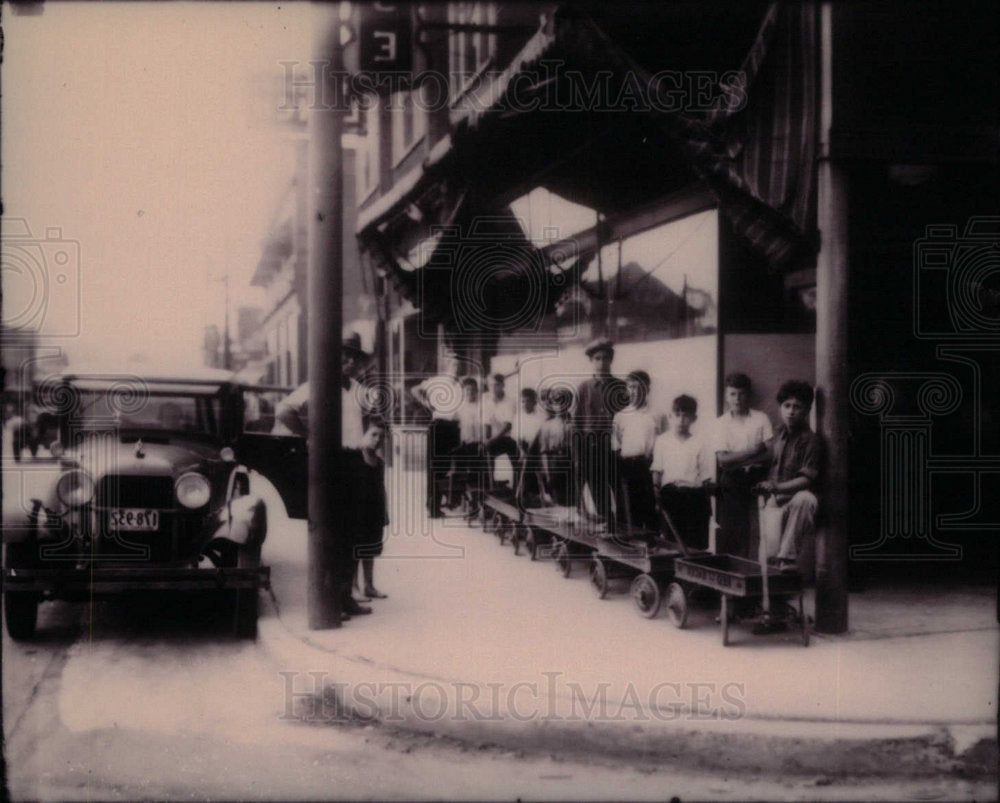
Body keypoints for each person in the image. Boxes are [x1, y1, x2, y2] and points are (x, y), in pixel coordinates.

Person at [754, 380, 824, 572]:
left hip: (797, 504)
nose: (791, 411)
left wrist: (777, 487)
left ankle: (788, 558)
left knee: (806, 497)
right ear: (780, 408)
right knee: (766, 560)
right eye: (787, 406)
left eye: (797, 407)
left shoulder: (811, 440)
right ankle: (772, 595)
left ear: (807, 410)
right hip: (774, 503)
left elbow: (807, 480)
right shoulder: (778, 434)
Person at [713, 372, 773, 557]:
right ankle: (739, 567)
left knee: (762, 524)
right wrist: (753, 451)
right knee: (735, 527)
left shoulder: (761, 418)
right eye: (732, 394)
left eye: (741, 394)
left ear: (748, 395)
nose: (737, 399)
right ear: (726, 395)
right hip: (733, 479)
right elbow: (723, 460)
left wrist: (738, 458)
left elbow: (770, 453)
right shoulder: (720, 423)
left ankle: (760, 569)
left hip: (759, 476)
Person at [572, 338, 628, 528]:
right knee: (597, 487)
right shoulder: (584, 388)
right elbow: (576, 423)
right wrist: (578, 453)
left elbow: (628, 418)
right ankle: (607, 524)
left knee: (620, 487)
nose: (601, 362)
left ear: (611, 360)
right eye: (597, 358)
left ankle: (621, 527)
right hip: (591, 445)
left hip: (614, 447)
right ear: (592, 361)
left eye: (605, 358)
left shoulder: (621, 387)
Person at [652, 394, 712, 551]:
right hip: (670, 495)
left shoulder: (699, 442)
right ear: (670, 417)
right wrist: (656, 492)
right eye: (677, 415)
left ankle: (691, 569)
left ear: (694, 418)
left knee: (693, 541)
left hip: (693, 496)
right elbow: (657, 469)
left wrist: (707, 499)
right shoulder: (662, 441)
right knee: (672, 539)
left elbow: (705, 474)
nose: (681, 420)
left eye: (686, 416)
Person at [411, 354, 462, 517]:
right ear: (447, 367)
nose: (456, 368)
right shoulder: (438, 381)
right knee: (435, 467)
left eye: (458, 365)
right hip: (439, 425)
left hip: (454, 428)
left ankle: (446, 502)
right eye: (453, 365)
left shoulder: (460, 385)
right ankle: (433, 507)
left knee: (446, 468)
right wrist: (427, 404)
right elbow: (414, 389)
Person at [612, 370, 658, 534]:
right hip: (627, 467)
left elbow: (663, 444)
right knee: (627, 511)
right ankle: (627, 550)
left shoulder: (656, 415)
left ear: (648, 390)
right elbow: (616, 445)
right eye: (631, 387)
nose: (635, 391)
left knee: (650, 511)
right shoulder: (620, 416)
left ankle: (652, 550)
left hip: (648, 466)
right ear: (627, 390)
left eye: (640, 387)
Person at [451, 376, 484, 512]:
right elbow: (454, 426)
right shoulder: (459, 407)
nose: (470, 393)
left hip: (479, 444)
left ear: (477, 391)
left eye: (473, 390)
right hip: (464, 444)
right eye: (468, 390)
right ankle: (460, 499)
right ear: (464, 392)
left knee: (477, 472)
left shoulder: (481, 406)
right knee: (460, 470)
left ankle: (478, 500)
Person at [482, 373, 519, 491]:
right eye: (491, 385)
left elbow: (507, 426)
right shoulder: (487, 401)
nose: (493, 388)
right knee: (482, 451)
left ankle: (519, 490)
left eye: (496, 385)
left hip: (510, 439)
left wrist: (491, 440)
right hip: (495, 439)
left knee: (518, 462)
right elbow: (487, 424)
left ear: (502, 385)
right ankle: (489, 485)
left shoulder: (510, 401)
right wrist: (486, 440)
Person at [538, 388, 572, 507]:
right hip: (554, 463)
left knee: (572, 499)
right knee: (557, 497)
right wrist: (547, 473)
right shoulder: (547, 426)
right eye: (556, 402)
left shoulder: (575, 424)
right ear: (552, 405)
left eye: (563, 402)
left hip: (570, 463)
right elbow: (544, 451)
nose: (560, 406)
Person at [514, 388, 545, 507]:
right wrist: (522, 451)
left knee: (530, 461)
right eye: (523, 401)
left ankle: (531, 494)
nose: (525, 404)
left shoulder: (541, 417)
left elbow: (540, 436)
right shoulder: (518, 416)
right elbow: (517, 437)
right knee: (522, 461)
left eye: (528, 401)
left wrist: (529, 451)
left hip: (538, 447)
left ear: (534, 402)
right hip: (523, 446)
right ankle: (525, 494)